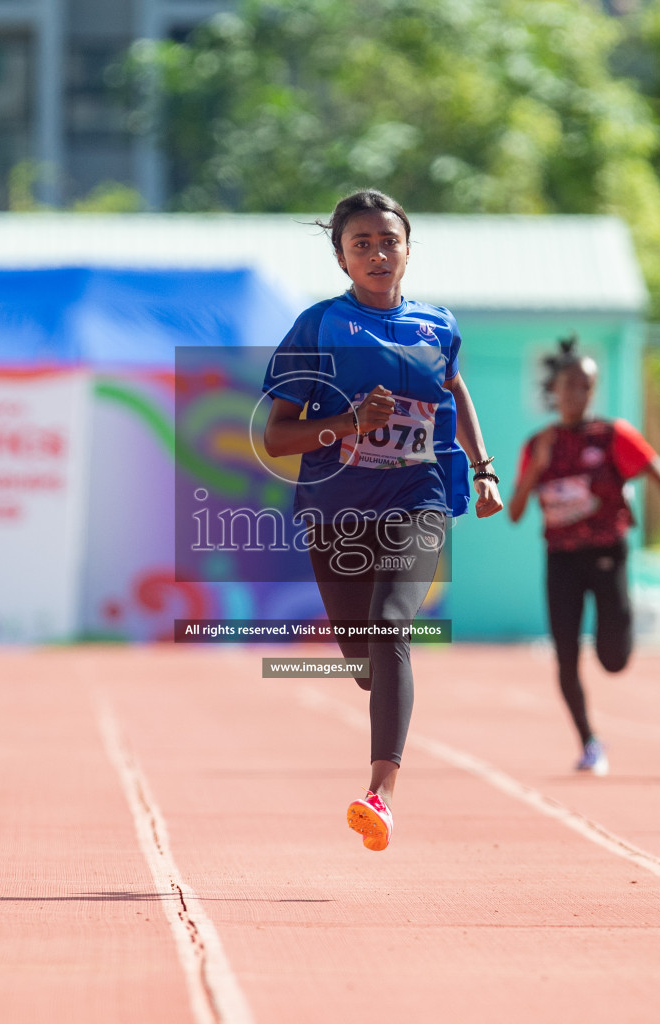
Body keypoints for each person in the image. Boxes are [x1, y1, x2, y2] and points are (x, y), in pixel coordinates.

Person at [261, 189, 503, 852]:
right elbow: (276, 438)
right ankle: (378, 683)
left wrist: (483, 467)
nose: (376, 252)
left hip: (417, 498)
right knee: (365, 660)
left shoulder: (436, 324)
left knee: (392, 626)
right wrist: (346, 425)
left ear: (406, 249)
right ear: (342, 257)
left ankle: (381, 792)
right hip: (335, 511)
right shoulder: (317, 327)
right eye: (360, 243)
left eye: (387, 241)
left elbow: (453, 387)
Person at [507, 337, 660, 775]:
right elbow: (515, 514)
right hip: (562, 559)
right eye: (570, 386)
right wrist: (536, 469)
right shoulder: (538, 444)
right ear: (554, 390)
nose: (579, 394)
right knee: (566, 654)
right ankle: (589, 741)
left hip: (607, 553)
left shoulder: (613, 436)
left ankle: (620, 624)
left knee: (613, 660)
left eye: (587, 386)